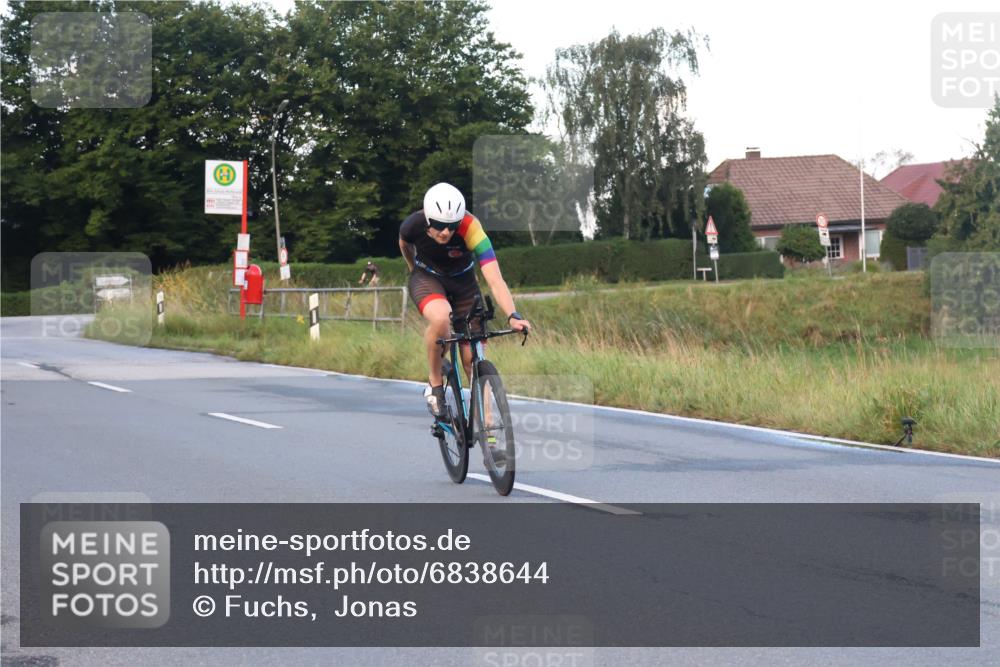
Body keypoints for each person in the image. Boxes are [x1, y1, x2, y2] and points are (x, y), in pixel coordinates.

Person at [399, 182, 531, 418]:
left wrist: (513, 315)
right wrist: (413, 268)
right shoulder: (413, 225)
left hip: (463, 282)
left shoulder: (471, 228)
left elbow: (496, 280)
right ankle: (435, 384)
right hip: (428, 278)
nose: (445, 232)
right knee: (441, 319)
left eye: (451, 226)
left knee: (473, 359)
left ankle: (490, 432)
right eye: (439, 226)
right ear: (428, 219)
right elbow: (404, 244)